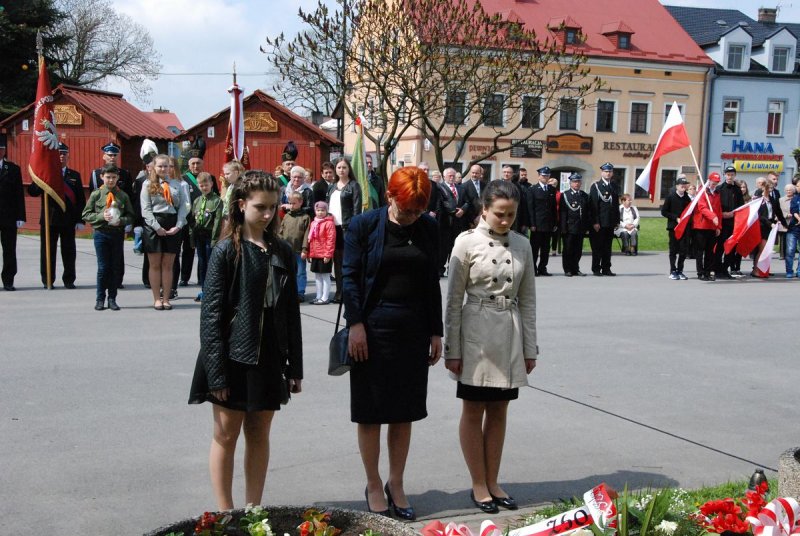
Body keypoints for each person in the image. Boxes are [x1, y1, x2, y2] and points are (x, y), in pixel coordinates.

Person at [188, 170, 303, 511]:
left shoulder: (283, 250)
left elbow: (291, 313)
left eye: (273, 207)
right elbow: (210, 316)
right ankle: (225, 514)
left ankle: (253, 512)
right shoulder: (226, 250)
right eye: (260, 207)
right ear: (241, 205)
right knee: (226, 434)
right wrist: (216, 373)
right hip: (232, 354)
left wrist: (295, 366)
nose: (268, 214)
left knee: (259, 434)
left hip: (269, 355)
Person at [343, 166, 442, 520]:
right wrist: (355, 324)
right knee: (371, 412)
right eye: (407, 209)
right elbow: (349, 277)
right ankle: (373, 483)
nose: (413, 216)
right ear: (389, 197)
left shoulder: (428, 227)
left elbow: (431, 281)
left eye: (419, 210)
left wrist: (436, 330)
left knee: (404, 412)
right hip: (371, 330)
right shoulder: (364, 225)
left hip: (413, 330)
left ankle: (396, 482)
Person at [445, 179, 537, 515]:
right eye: (499, 213)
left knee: (499, 410)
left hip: (509, 332)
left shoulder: (522, 245)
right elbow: (453, 300)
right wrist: (452, 348)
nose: (505, 220)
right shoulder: (466, 242)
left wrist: (530, 348)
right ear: (484, 209)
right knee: (474, 410)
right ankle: (478, 484)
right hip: (476, 331)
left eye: (511, 214)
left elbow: (528, 301)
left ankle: (493, 481)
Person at [27, 142, 85, 289]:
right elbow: (32, 192)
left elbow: (80, 200)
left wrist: (80, 220)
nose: (61, 156)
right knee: (48, 251)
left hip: (68, 219)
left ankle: (69, 280)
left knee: (69, 251)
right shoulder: (46, 174)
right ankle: (47, 279)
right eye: (58, 154)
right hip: (50, 219)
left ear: (68, 156)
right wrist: (39, 178)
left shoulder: (74, 176)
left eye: (64, 153)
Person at [81, 164, 135, 311]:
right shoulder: (96, 195)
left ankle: (112, 298)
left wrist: (121, 221)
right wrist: (101, 216)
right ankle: (100, 299)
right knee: (103, 267)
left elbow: (131, 215)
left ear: (118, 178)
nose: (111, 180)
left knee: (114, 267)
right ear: (102, 177)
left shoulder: (123, 196)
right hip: (101, 233)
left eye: (113, 177)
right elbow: (86, 214)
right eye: (108, 177)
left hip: (116, 234)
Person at [141, 154, 189, 310]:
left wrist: (179, 225)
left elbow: (184, 207)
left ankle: (166, 298)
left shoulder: (178, 184)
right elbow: (146, 209)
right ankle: (157, 299)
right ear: (154, 167)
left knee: (168, 265)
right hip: (154, 225)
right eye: (160, 166)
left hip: (173, 224)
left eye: (166, 166)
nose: (163, 169)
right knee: (155, 265)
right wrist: (157, 227)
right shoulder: (147, 184)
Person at [90, 142, 133, 288]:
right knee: (103, 258)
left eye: (114, 155)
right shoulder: (96, 174)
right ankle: (105, 282)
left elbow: (129, 197)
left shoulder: (124, 174)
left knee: (118, 256)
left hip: (118, 221)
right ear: (104, 156)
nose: (112, 157)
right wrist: (96, 219)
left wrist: (127, 222)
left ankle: (117, 281)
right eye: (109, 155)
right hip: (102, 221)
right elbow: (93, 198)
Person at [327, 157, 362, 303]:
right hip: (333, 229)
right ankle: (339, 292)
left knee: (348, 262)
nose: (341, 170)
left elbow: (357, 210)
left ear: (349, 169)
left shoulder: (354, 186)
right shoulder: (332, 187)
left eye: (344, 167)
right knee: (337, 262)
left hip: (347, 228)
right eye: (339, 167)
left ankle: (349, 292)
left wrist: (354, 228)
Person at [191, 172, 223, 302]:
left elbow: (217, 221)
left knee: (211, 264)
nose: (204, 187)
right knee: (202, 263)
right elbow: (193, 220)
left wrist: (215, 239)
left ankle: (211, 291)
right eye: (201, 185)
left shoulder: (217, 201)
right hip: (200, 236)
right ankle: (203, 290)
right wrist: (192, 238)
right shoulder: (197, 201)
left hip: (210, 236)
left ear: (211, 184)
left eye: (206, 185)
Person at [0, 133, 25, 291]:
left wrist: (20, 216)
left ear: (4, 150)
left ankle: (8, 280)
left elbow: (18, 194)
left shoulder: (13, 169)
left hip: (8, 216)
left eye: (1, 148)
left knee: (9, 250)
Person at [278, 191, 311, 302]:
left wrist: (304, 249)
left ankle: (300, 292)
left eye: (294, 203)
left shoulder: (305, 217)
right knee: (287, 272)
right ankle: (288, 292)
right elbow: (281, 231)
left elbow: (307, 234)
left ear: (301, 202)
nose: (291, 206)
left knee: (300, 272)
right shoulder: (287, 216)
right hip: (286, 250)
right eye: (290, 203)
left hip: (299, 250)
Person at [589, 162, 621, 276]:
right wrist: (595, 222)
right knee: (598, 247)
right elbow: (593, 206)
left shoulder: (614, 186)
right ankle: (596, 269)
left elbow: (616, 205)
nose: (608, 173)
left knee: (607, 247)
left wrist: (617, 220)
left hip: (610, 222)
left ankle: (606, 268)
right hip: (600, 222)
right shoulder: (596, 186)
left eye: (610, 171)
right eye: (606, 171)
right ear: (602, 172)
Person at [751, 180, 787, 278]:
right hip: (762, 226)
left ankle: (763, 270)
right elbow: (760, 215)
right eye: (769, 188)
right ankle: (755, 270)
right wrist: (770, 224)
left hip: (770, 226)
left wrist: (784, 224)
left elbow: (778, 212)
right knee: (762, 249)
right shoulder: (758, 198)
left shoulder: (771, 199)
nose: (771, 190)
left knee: (767, 250)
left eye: (772, 188)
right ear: (763, 187)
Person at [527, 166, 557, 276]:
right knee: (535, 248)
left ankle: (542, 268)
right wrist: (532, 224)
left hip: (548, 224)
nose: (546, 177)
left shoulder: (551, 189)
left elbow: (553, 208)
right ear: (539, 176)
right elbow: (530, 208)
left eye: (547, 175)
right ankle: (533, 269)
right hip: (537, 224)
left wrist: (555, 223)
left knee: (545, 249)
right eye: (544, 175)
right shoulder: (532, 189)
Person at [715, 165, 744, 279]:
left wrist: (734, 213)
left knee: (731, 247)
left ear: (735, 175)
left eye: (732, 175)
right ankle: (717, 269)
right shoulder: (719, 189)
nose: (730, 177)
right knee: (720, 247)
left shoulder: (737, 190)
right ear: (724, 175)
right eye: (728, 175)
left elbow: (741, 206)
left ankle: (725, 269)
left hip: (733, 223)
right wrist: (721, 214)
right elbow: (715, 205)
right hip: (722, 222)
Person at [661, 175, 692, 280]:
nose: (683, 186)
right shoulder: (671, 197)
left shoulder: (687, 198)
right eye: (681, 184)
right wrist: (675, 218)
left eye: (685, 184)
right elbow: (664, 212)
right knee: (673, 249)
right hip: (673, 227)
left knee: (683, 250)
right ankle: (673, 270)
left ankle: (680, 270)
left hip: (684, 228)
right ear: (677, 186)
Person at [692, 173, 722, 281]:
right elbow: (702, 207)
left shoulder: (717, 193)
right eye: (713, 182)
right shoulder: (702, 191)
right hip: (701, 225)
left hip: (712, 226)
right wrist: (713, 216)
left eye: (717, 182)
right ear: (709, 181)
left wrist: (718, 226)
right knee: (700, 250)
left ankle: (708, 272)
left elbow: (718, 210)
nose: (715, 184)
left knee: (710, 251)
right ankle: (700, 273)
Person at [306, 201, 336, 304]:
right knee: (317, 276)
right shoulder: (313, 223)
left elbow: (331, 240)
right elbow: (311, 240)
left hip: (324, 254)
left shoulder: (329, 223)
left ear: (326, 211)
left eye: (323, 210)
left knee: (325, 276)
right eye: (318, 210)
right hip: (315, 254)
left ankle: (325, 297)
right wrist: (310, 254)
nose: (320, 212)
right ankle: (318, 296)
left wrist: (328, 254)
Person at [560, 173, 589, 276]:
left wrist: (586, 226)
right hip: (569, 226)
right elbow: (563, 212)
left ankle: (576, 268)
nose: (577, 184)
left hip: (580, 227)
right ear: (570, 183)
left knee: (578, 250)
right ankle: (567, 269)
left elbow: (587, 212)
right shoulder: (565, 195)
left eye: (578, 181)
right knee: (568, 249)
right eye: (574, 182)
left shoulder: (584, 195)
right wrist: (563, 227)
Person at [786, 187, 800, 278]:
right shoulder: (795, 198)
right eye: (798, 186)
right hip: (794, 228)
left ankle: (799, 271)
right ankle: (789, 270)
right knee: (790, 250)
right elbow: (794, 211)